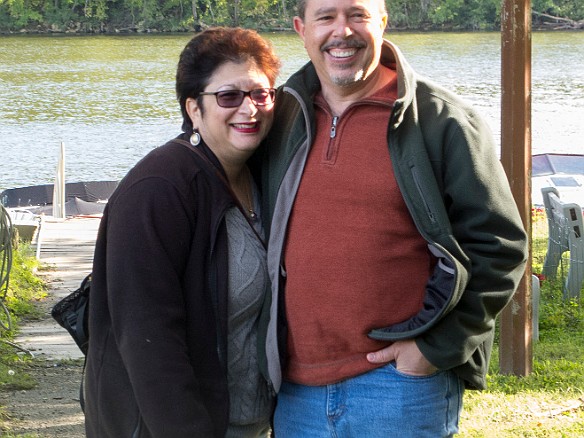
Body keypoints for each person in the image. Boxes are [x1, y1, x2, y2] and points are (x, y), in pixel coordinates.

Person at [257, 0, 529, 436]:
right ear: (300, 29)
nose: (342, 32)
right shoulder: (281, 117)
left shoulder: (442, 121)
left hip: (399, 389)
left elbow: (500, 247)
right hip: (295, 391)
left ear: (382, 22)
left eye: (358, 15)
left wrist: (435, 348)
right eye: (326, 17)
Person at [84, 27, 280, 438]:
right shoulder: (158, 190)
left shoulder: (260, 177)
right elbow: (147, 340)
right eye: (229, 96)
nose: (250, 109)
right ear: (194, 108)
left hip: (250, 424)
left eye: (261, 94)